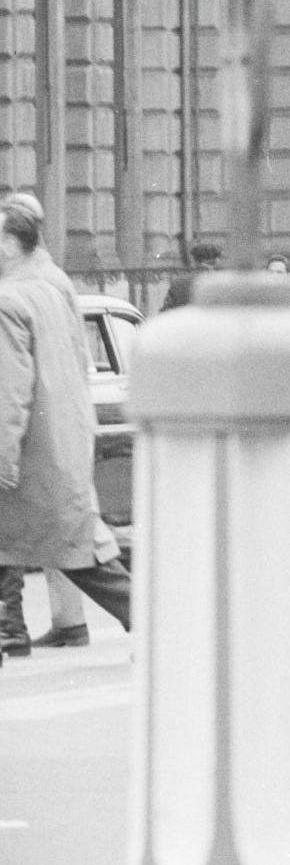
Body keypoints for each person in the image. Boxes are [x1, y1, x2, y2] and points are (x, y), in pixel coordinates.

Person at [0, 198, 136, 664]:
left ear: (10, 244)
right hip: (63, 433)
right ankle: (9, 630)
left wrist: (2, 457)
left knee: (78, 549)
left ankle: (158, 621)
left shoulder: (8, 299)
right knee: (46, 539)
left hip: (29, 445)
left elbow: (8, 391)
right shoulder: (53, 281)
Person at [161, 243, 223, 312]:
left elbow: (166, 313)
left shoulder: (179, 283)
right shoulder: (225, 284)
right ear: (218, 260)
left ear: (195, 261)